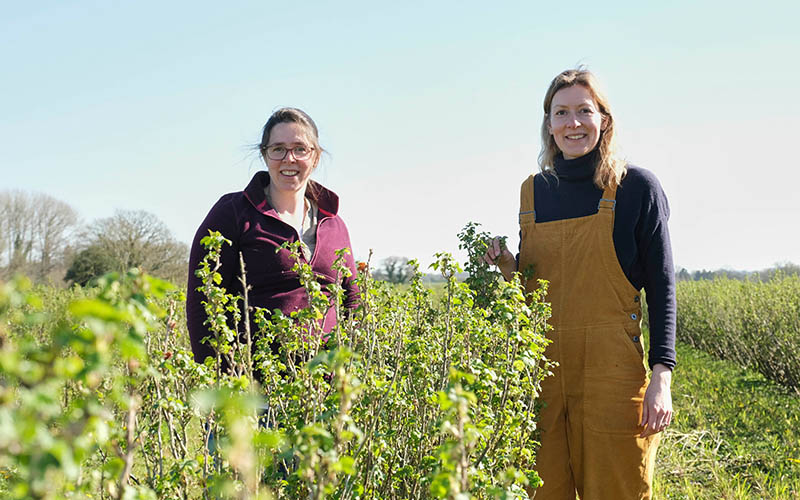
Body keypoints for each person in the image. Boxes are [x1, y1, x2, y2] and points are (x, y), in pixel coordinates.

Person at [484, 69, 675, 499]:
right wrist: (508, 266)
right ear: (548, 124)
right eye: (561, 112)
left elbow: (662, 287)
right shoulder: (533, 192)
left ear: (603, 119)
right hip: (541, 375)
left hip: (611, 375)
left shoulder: (634, 187)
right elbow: (537, 291)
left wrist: (661, 377)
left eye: (584, 111)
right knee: (541, 490)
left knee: (618, 488)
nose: (573, 123)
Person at [186, 107, 359, 369]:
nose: (289, 158)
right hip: (257, 388)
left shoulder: (334, 223)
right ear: (264, 155)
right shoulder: (233, 213)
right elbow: (203, 305)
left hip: (328, 389)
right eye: (278, 149)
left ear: (315, 157)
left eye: (300, 149)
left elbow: (352, 301)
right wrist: (223, 388)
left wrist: (351, 375)